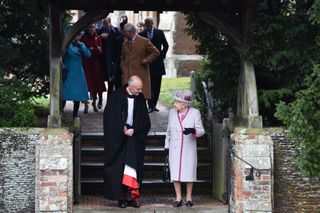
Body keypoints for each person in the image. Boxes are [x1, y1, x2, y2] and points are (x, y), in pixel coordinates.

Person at [103, 75, 151, 208]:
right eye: (138, 89)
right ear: (130, 86)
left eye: (141, 89)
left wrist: (134, 130)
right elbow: (110, 117)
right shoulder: (116, 96)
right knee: (119, 168)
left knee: (134, 166)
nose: (140, 91)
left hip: (134, 138)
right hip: (118, 138)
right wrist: (121, 127)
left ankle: (134, 196)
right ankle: (121, 197)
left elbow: (145, 121)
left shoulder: (140, 98)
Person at [164, 89, 205, 208]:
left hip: (188, 148)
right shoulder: (172, 112)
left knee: (189, 172)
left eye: (176, 102)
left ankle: (189, 197)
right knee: (175, 172)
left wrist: (193, 131)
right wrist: (166, 146)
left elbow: (201, 131)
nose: (174, 104)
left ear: (183, 104)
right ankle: (178, 198)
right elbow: (168, 131)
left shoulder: (194, 113)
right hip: (174, 148)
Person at [120, 23, 160, 101]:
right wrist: (123, 68)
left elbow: (156, 52)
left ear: (130, 32)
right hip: (128, 75)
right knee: (128, 98)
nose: (123, 33)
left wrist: (147, 60)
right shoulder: (124, 44)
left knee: (140, 98)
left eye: (125, 32)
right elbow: (122, 58)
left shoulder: (144, 41)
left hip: (140, 74)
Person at [140, 17, 169, 113]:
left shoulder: (159, 33)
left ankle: (154, 105)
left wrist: (162, 55)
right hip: (148, 63)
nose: (148, 26)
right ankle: (150, 105)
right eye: (146, 24)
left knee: (157, 85)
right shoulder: (142, 34)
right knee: (149, 85)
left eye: (149, 24)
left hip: (158, 63)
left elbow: (166, 45)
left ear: (152, 23)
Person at [62, 33, 91, 117]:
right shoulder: (67, 44)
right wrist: (63, 67)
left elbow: (88, 55)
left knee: (77, 95)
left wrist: (80, 46)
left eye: (80, 35)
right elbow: (61, 57)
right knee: (65, 94)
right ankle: (60, 113)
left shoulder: (81, 44)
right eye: (78, 35)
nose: (80, 36)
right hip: (68, 72)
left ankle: (75, 115)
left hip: (78, 73)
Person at [81, 23, 107, 112]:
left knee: (96, 84)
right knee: (86, 85)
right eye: (90, 27)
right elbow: (81, 50)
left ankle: (94, 103)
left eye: (93, 27)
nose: (92, 29)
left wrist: (98, 49)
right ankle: (85, 105)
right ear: (87, 28)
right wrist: (88, 50)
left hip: (95, 63)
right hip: (86, 63)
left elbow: (101, 50)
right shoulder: (83, 37)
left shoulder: (98, 37)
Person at [97, 17, 120, 96]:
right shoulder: (99, 30)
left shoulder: (115, 30)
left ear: (110, 23)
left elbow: (118, 36)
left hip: (111, 60)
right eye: (103, 23)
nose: (104, 25)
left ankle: (109, 99)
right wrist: (100, 36)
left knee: (111, 81)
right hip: (101, 60)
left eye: (106, 23)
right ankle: (99, 99)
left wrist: (110, 34)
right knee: (99, 80)